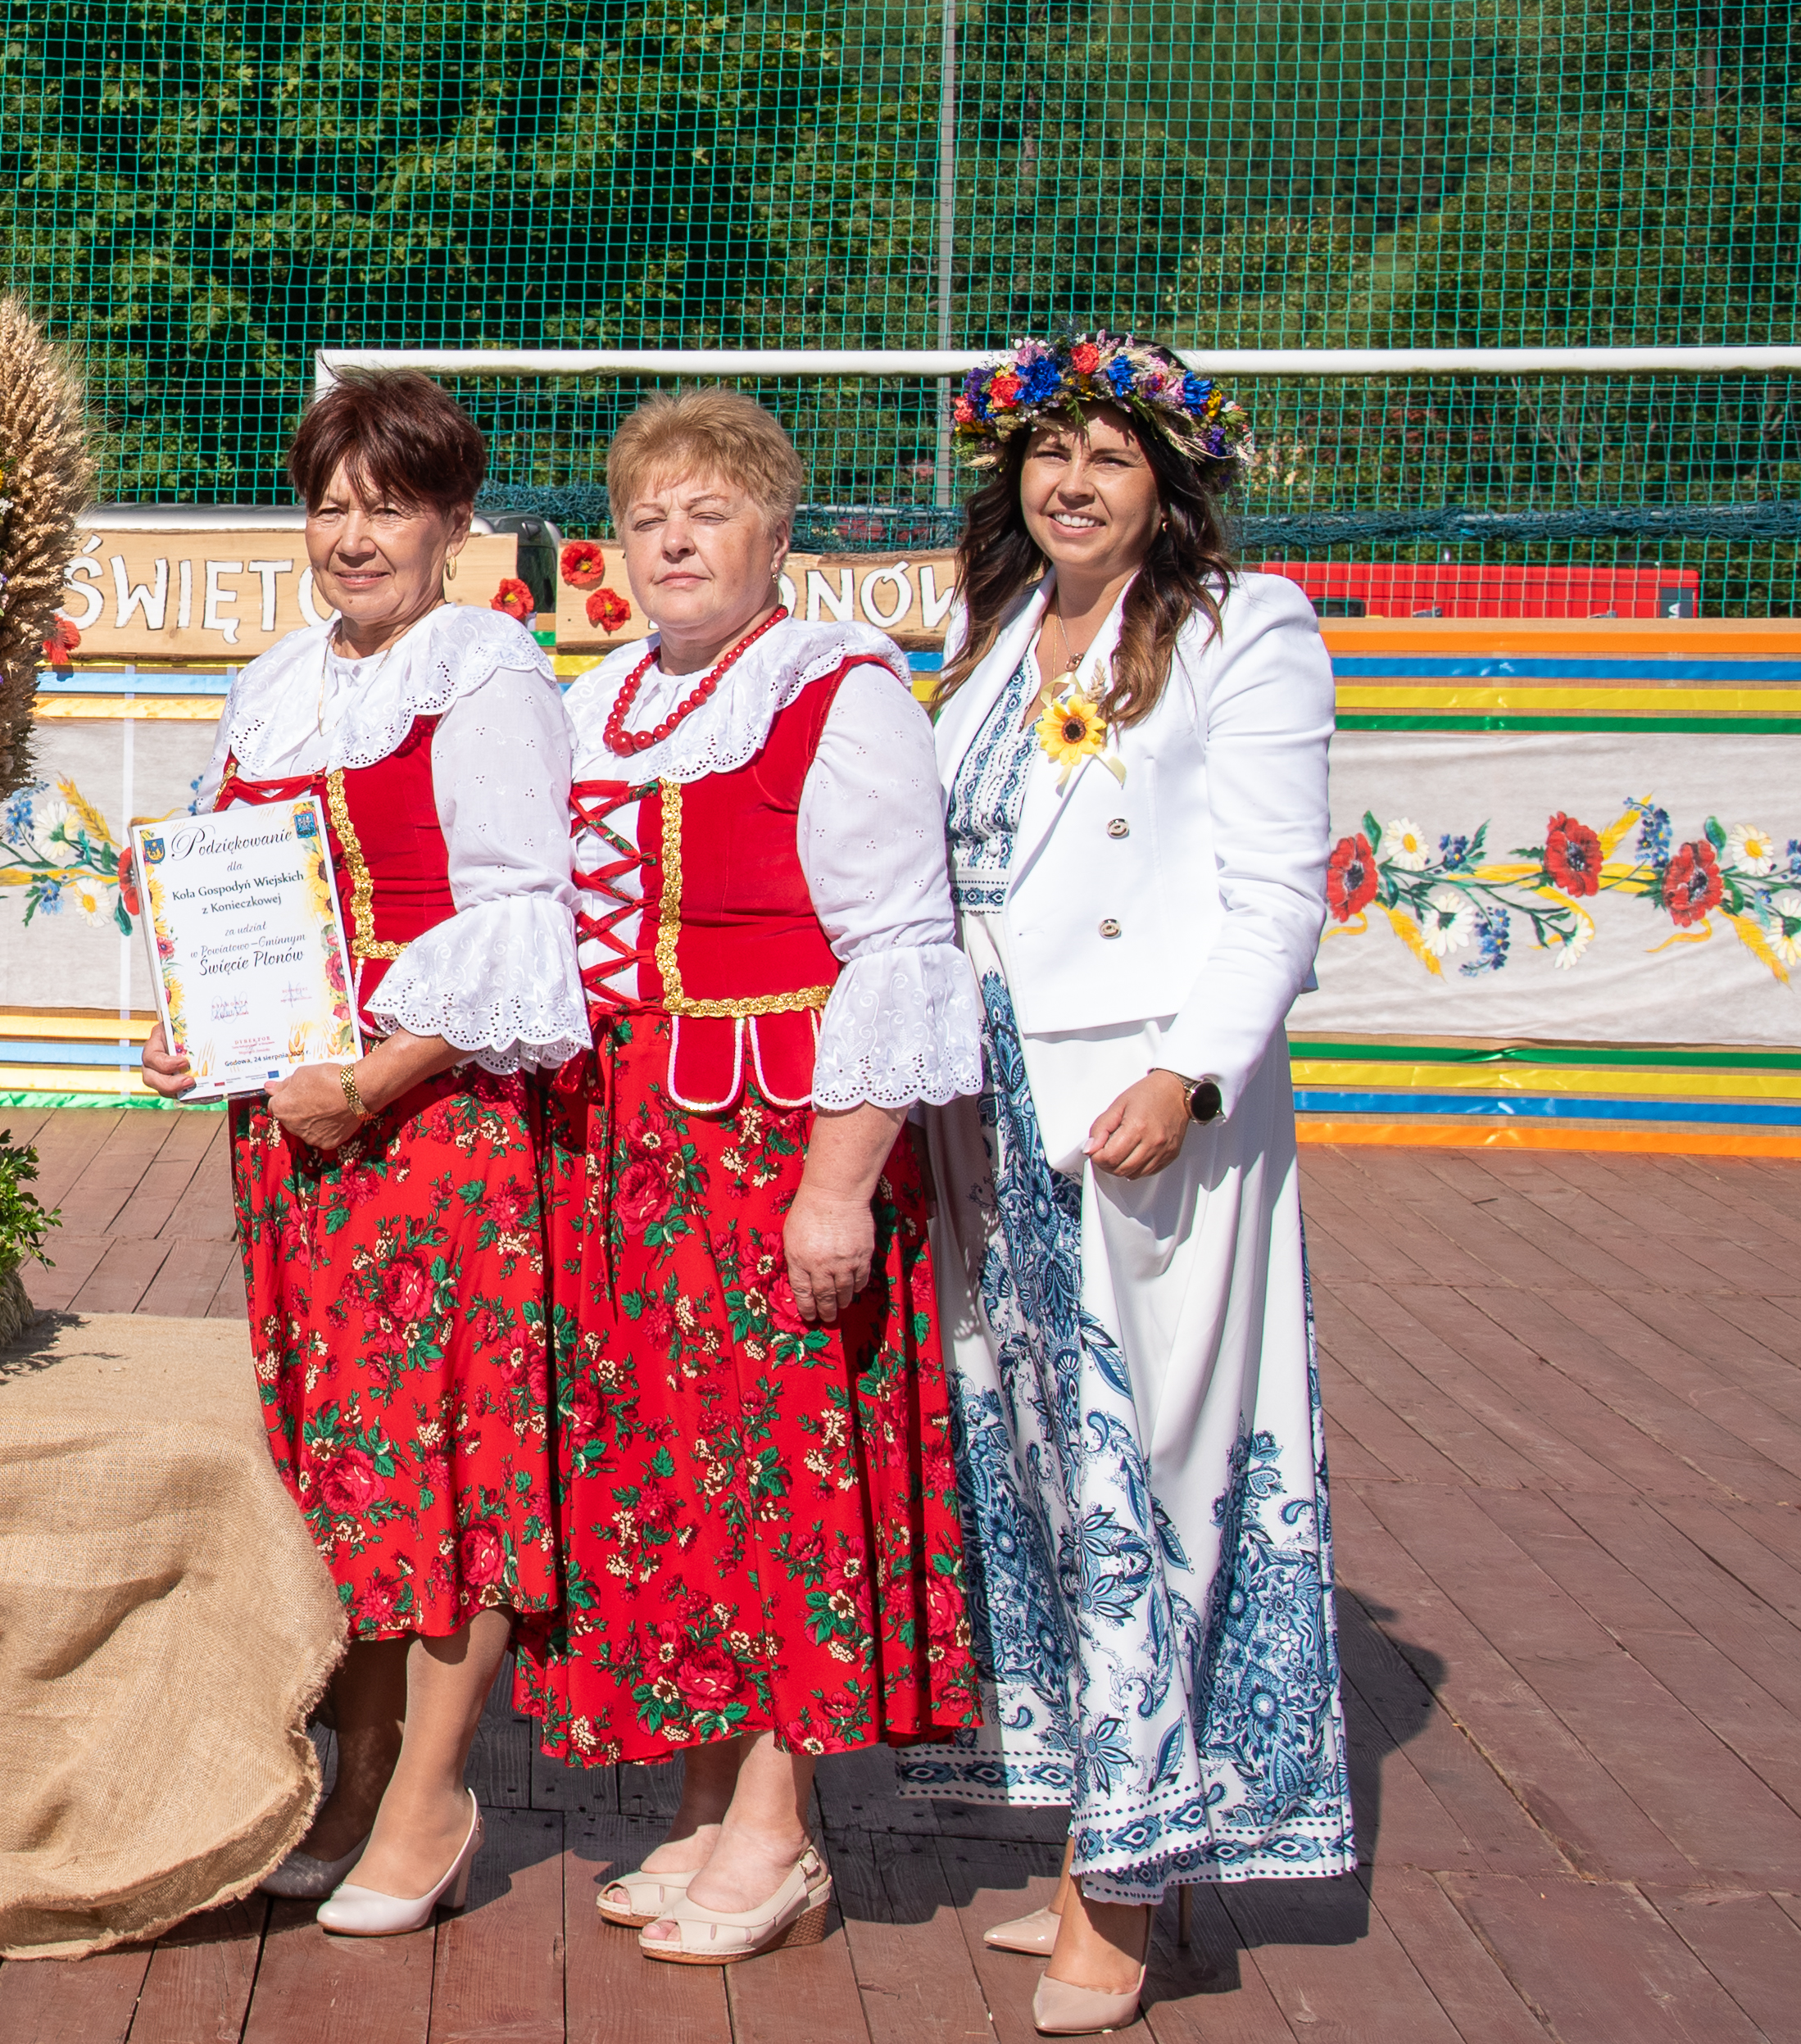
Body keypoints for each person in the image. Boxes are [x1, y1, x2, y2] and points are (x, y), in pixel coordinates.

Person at [906, 336, 1346, 2036]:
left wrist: (1195, 1068)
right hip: (1000, 1112)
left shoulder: (1249, 627)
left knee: (1144, 1468)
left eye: (1108, 454)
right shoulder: (1000, 634)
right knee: (1031, 1460)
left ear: (1172, 481)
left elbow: (1278, 893)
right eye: (1047, 455)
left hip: (1142, 1103)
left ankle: (1135, 1880)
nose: (1071, 481)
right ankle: (1103, 1814)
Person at [530, 388, 982, 1964]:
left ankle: (783, 1827)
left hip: (769, 1141)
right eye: (647, 513)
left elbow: (901, 952)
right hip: (626, 1146)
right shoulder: (598, 701)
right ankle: (708, 1800)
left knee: (785, 1477)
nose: (670, 537)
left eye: (707, 510)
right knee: (668, 1477)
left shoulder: (837, 691)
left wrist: (838, 1184)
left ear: (775, 537)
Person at [136, 372, 584, 1936]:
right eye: (329, 503)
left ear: (453, 522)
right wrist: (194, 1025)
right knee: (339, 1460)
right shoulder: (273, 682)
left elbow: (525, 916)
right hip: (301, 1131)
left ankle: (431, 1790)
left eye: (387, 503)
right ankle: (356, 1750)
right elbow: (222, 895)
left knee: (447, 1458)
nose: (351, 533)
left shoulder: (486, 671)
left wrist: (376, 1075)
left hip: (429, 1129)